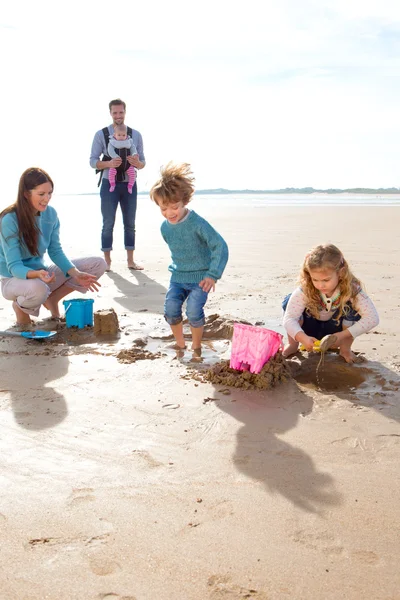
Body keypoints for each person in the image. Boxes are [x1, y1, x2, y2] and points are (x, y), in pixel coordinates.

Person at [0, 168, 107, 326]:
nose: (47, 198)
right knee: (38, 289)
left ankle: (52, 299)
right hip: (12, 280)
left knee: (98, 264)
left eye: (50, 193)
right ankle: (20, 308)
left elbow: (55, 251)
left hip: (41, 274)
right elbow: (14, 266)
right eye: (41, 194)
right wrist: (37, 274)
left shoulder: (50, 215)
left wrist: (76, 274)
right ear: (26, 193)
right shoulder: (10, 219)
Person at [150, 162, 229, 355]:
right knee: (171, 309)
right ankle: (180, 344)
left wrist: (212, 274)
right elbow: (177, 251)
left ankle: (196, 346)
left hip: (201, 278)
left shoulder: (197, 223)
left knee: (193, 310)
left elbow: (220, 246)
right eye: (163, 208)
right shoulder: (165, 228)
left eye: (174, 207)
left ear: (184, 201)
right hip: (178, 276)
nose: (169, 213)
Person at [282, 243, 379, 363]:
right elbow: (289, 319)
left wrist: (341, 336)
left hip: (336, 334)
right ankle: (292, 345)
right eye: (315, 279)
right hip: (308, 332)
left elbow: (373, 318)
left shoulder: (352, 290)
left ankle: (345, 349)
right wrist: (302, 338)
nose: (320, 285)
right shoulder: (306, 288)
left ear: (341, 273)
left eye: (326, 280)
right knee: (289, 300)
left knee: (352, 306)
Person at [90, 98, 145, 272]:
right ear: (110, 113)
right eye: (115, 112)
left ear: (125, 112)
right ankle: (107, 262)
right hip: (109, 184)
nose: (118, 115)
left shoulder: (135, 135)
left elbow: (143, 163)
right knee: (108, 223)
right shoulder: (101, 134)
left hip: (129, 184)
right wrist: (108, 164)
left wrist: (136, 163)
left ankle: (131, 261)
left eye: (121, 112)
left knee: (130, 223)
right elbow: (92, 161)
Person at [108, 124, 137, 194]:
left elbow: (133, 149)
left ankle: (130, 186)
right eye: (119, 135)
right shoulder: (112, 142)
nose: (121, 137)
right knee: (111, 173)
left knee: (133, 174)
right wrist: (115, 156)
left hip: (127, 164)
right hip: (116, 163)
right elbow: (110, 151)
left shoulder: (129, 142)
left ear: (126, 135)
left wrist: (134, 154)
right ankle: (112, 184)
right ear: (115, 135)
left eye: (123, 135)